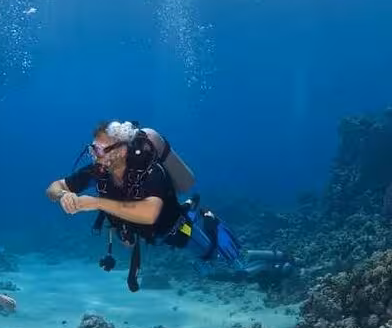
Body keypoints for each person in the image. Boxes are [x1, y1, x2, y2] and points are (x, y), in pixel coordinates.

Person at [45, 120, 294, 291]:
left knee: (228, 264)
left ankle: (278, 263)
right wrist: (63, 196)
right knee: (217, 264)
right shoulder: (97, 171)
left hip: (178, 228)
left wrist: (94, 202)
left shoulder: (150, 171)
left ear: (120, 150)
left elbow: (150, 213)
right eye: (92, 149)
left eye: (99, 150)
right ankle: (272, 261)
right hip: (161, 237)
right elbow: (53, 187)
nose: (94, 156)